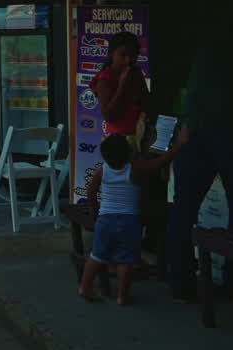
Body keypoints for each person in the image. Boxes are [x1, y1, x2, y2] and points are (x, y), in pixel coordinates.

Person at [164, 32, 233, 303]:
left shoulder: (206, 52)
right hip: (230, 132)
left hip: (192, 130)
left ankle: (180, 283)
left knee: (183, 209)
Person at [79, 131, 186, 306]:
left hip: (105, 220)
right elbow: (159, 163)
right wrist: (179, 145)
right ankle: (122, 297)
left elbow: (91, 193)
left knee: (97, 255)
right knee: (125, 260)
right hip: (129, 222)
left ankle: (85, 287)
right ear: (129, 154)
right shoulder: (135, 168)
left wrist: (96, 212)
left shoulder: (102, 170)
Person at [92, 32, 149, 153]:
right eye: (123, 55)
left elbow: (146, 101)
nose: (128, 60)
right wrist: (122, 85)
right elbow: (108, 116)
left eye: (133, 56)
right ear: (111, 54)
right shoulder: (105, 78)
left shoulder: (136, 72)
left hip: (138, 137)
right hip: (117, 142)